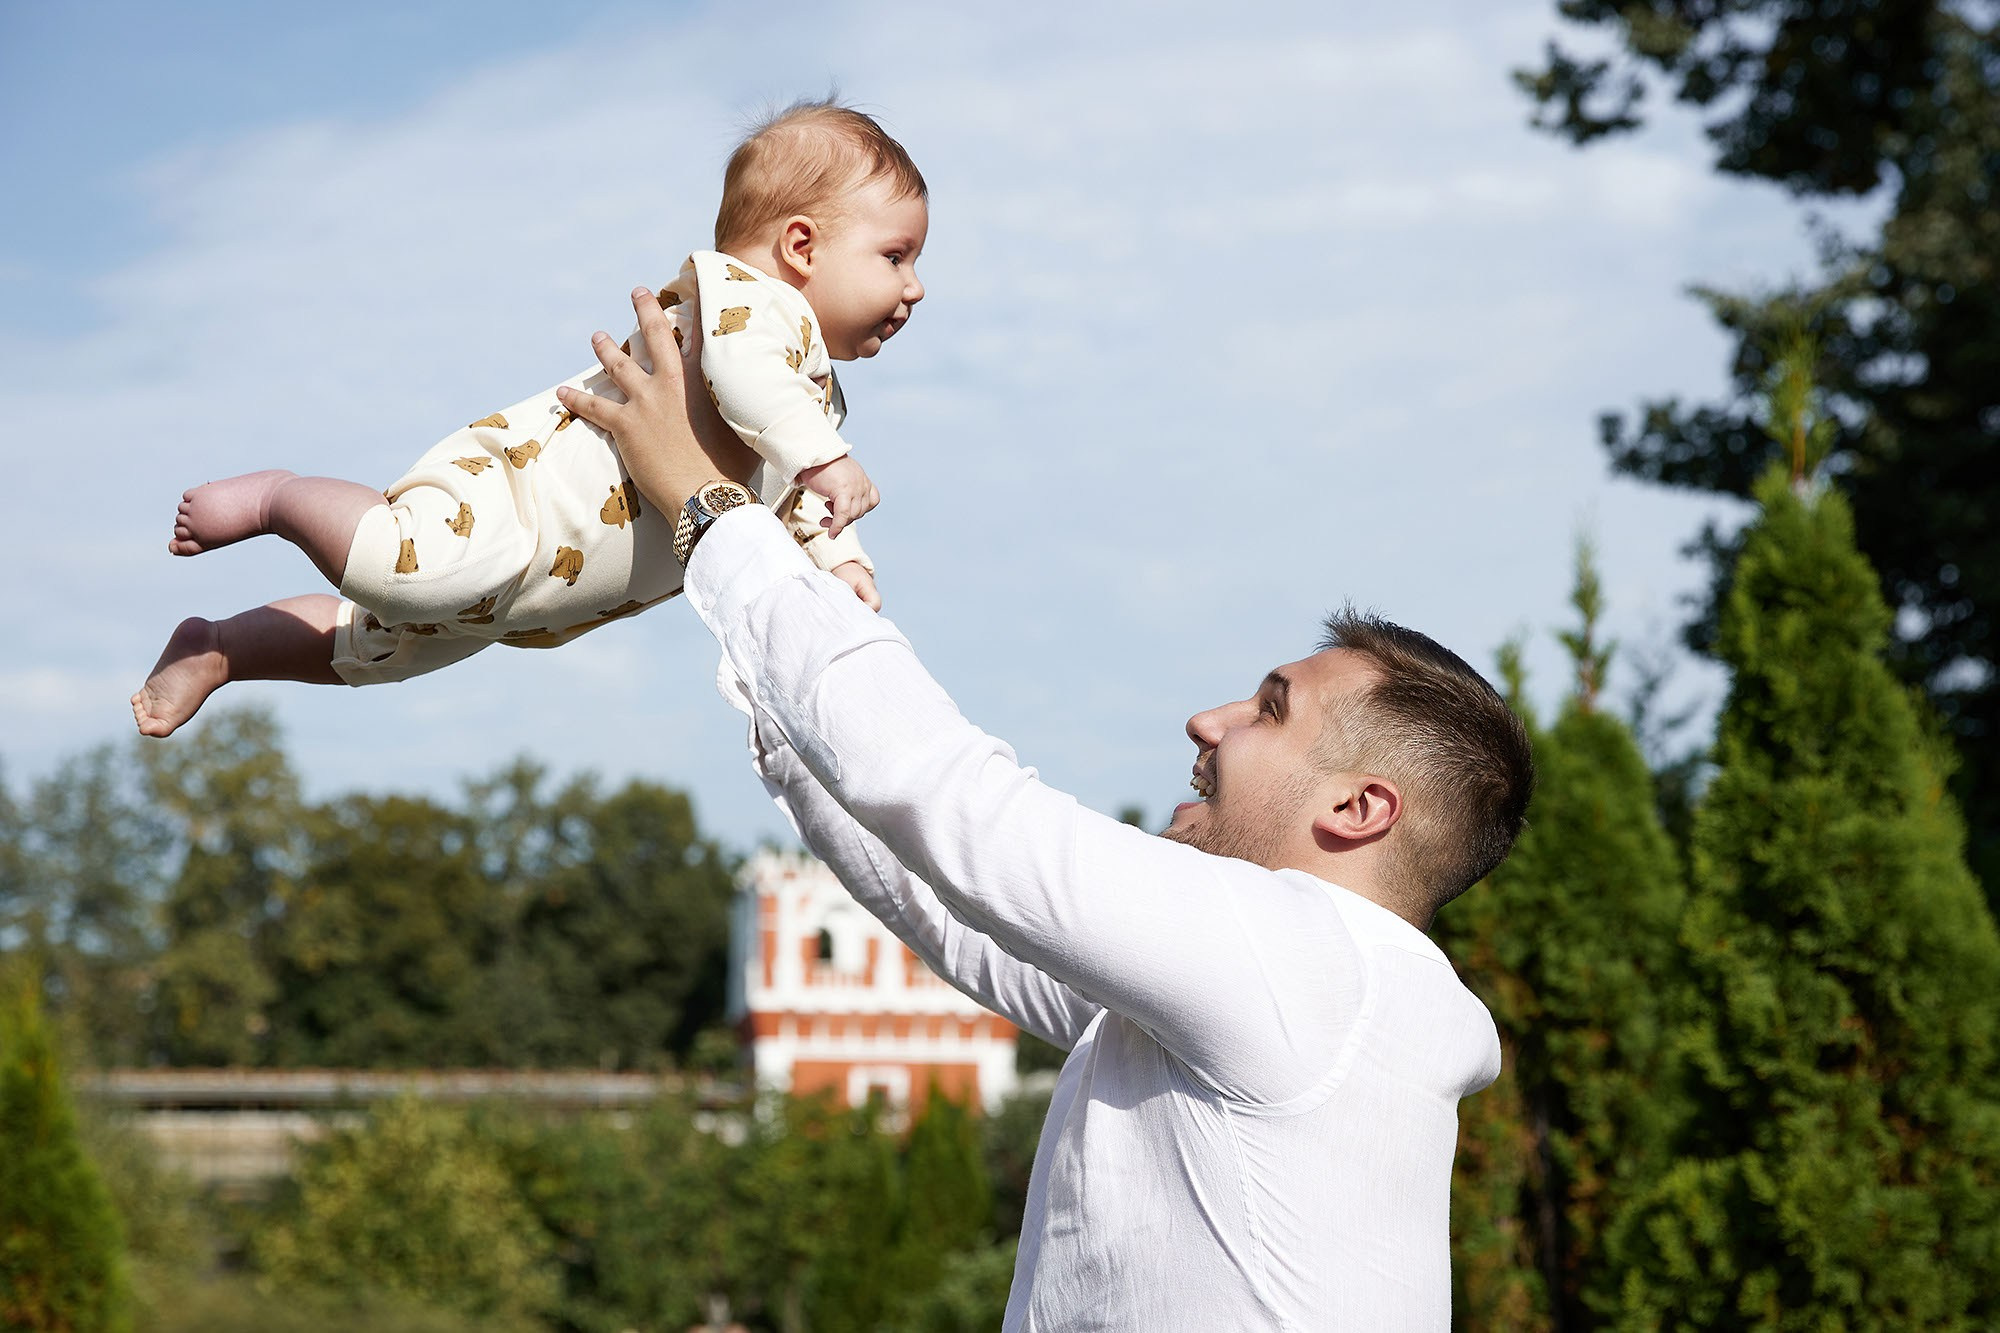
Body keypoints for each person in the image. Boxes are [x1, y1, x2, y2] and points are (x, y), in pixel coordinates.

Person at [558, 288, 1536, 1329]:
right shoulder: (1280, 1003)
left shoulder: (1309, 964)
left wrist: (713, 516)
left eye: (1268, 709)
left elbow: (959, 801)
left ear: (1358, 806)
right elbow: (964, 908)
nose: (1206, 723)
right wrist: (778, 654)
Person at [131, 99, 925, 739]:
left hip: (537, 584)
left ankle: (223, 647)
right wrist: (829, 459)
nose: (915, 287)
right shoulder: (749, 307)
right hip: (514, 512)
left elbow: (790, 499)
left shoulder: (803, 397)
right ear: (800, 246)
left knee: (377, 643)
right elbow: (758, 393)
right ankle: (279, 497)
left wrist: (843, 563)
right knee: (398, 568)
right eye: (896, 256)